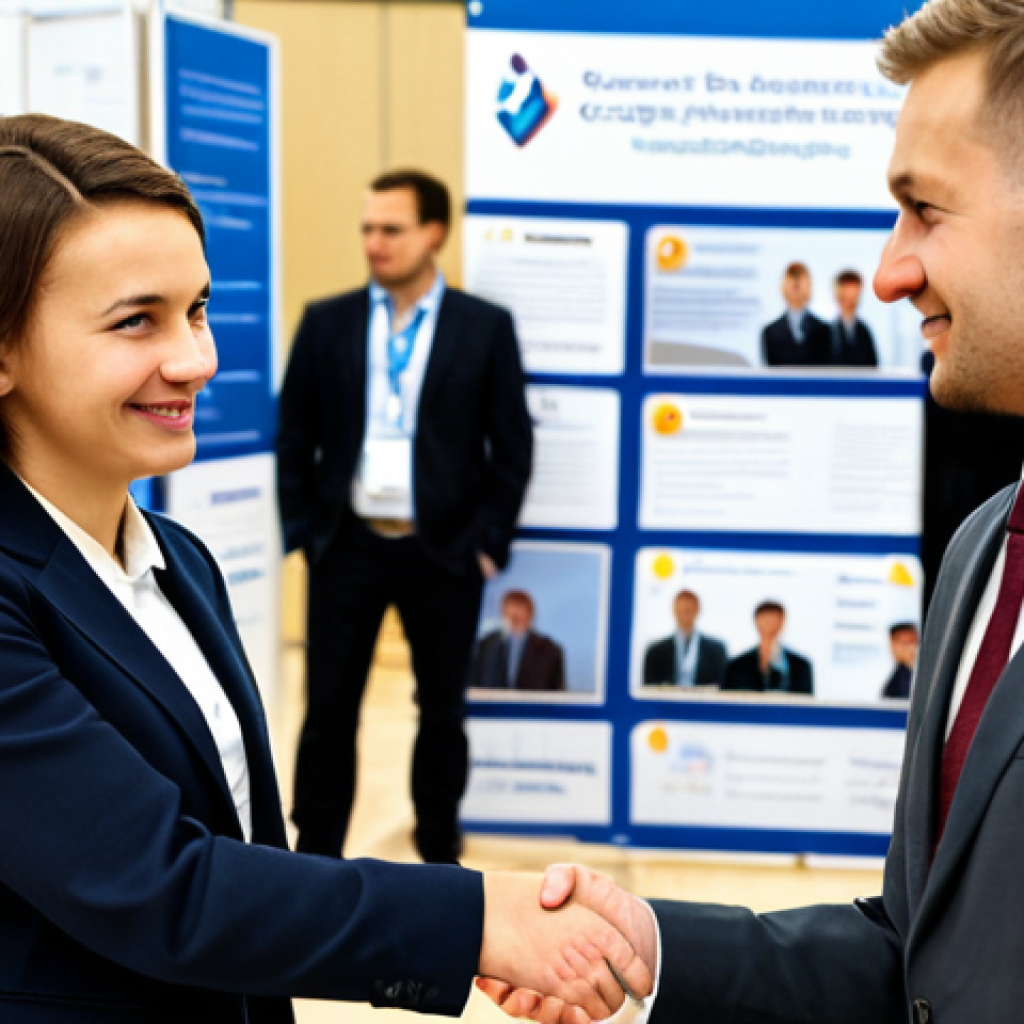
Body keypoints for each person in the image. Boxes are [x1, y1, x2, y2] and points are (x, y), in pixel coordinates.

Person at [0, 114, 652, 1023]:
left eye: (195, 310)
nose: (196, 359)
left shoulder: (179, 562)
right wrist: (473, 921)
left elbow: (239, 850)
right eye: (135, 321)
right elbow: (158, 885)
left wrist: (449, 933)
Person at [487, 4, 1024, 1021]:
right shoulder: (978, 556)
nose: (889, 269)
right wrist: (647, 952)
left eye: (924, 209)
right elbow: (922, 956)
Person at [276, 170, 533, 864]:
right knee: (328, 709)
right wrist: (305, 534)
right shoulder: (327, 321)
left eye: (390, 229)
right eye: (367, 228)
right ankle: (316, 857)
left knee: (441, 713)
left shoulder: (483, 328)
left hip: (443, 552)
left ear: (434, 234)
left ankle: (438, 852)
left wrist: (488, 545)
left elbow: (512, 447)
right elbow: (294, 431)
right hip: (348, 546)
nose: (374, 243)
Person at [470, 590, 566, 692]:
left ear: (530, 612)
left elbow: (556, 689)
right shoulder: (487, 644)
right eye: (510, 606)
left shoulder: (549, 649)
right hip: (491, 704)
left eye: (519, 606)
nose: (514, 612)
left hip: (532, 705)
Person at [720, 600, 813, 695]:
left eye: (775, 620)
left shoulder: (801, 666)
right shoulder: (736, 666)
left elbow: (806, 703)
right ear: (756, 621)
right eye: (765, 619)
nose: (770, 624)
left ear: (782, 623)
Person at [642, 589, 727, 688]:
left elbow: (721, 685)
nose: (684, 616)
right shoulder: (656, 651)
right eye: (680, 611)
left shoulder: (716, 650)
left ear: (697, 610)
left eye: (688, 610)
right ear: (674, 611)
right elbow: (649, 687)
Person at [760, 262, 832, 367]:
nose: (796, 283)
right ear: (783, 286)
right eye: (792, 277)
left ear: (809, 285)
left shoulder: (824, 330)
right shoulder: (770, 332)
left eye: (800, 278)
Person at [829, 269, 879, 367]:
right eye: (845, 294)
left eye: (853, 295)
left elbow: (873, 366)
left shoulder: (864, 331)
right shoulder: (826, 333)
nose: (850, 299)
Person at [882, 622, 919, 699]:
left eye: (913, 642)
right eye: (905, 643)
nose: (911, 648)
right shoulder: (895, 683)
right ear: (893, 646)